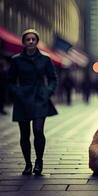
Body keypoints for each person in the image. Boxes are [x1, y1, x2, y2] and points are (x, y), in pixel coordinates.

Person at [7, 29, 58, 176]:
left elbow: (53, 78)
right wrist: (16, 91)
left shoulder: (45, 59)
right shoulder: (16, 60)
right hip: (22, 99)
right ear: (24, 42)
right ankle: (28, 164)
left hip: (39, 98)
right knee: (24, 134)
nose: (31, 42)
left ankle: (39, 162)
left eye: (33, 39)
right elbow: (10, 80)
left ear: (37, 42)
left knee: (38, 130)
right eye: (28, 39)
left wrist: (48, 91)